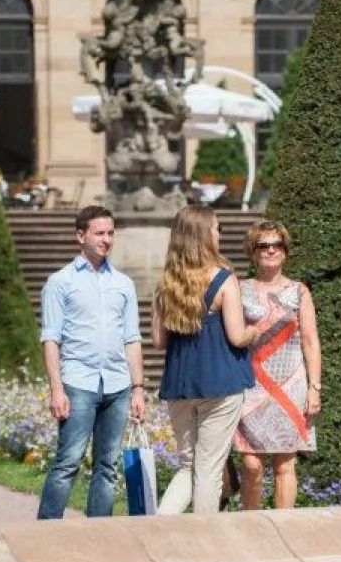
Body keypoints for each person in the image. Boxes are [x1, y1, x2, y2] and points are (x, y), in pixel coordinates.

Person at [38, 205, 145, 519]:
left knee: (107, 467)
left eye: (110, 233)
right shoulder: (60, 282)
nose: (106, 239)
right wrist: (57, 390)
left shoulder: (123, 284)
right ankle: (44, 531)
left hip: (118, 385)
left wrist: (138, 389)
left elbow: (132, 338)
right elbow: (51, 338)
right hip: (78, 383)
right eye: (99, 233)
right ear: (80, 236)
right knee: (68, 462)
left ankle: (100, 534)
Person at [152, 205, 257, 515]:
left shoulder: (166, 283)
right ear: (204, 236)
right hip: (220, 382)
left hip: (180, 384)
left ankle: (158, 525)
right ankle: (205, 536)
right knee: (209, 467)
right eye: (217, 228)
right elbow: (237, 337)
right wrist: (254, 332)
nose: (219, 234)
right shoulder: (224, 279)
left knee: (188, 466)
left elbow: (159, 342)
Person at [233, 220, 321, 509]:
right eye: (263, 245)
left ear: (285, 251)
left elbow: (310, 340)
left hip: (290, 386)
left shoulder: (299, 291)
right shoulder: (239, 289)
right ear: (253, 252)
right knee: (251, 466)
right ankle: (252, 526)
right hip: (250, 385)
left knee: (285, 465)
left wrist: (315, 388)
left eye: (276, 245)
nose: (270, 250)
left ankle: (284, 529)